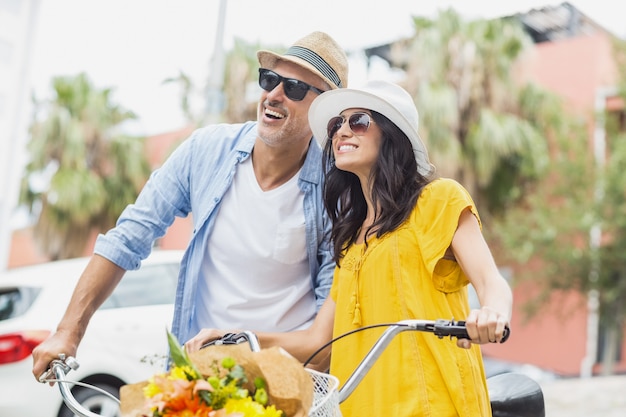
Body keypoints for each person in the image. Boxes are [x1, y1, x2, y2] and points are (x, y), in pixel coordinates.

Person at [32, 31, 349, 381]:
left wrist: (242, 347)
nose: (273, 95)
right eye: (269, 79)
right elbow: (128, 237)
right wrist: (69, 332)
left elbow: (326, 335)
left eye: (294, 88)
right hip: (199, 380)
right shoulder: (205, 151)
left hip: (283, 382)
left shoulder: (338, 191)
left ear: (325, 112)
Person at [186, 80, 513, 417]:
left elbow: (491, 281)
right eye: (336, 124)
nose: (342, 131)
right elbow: (317, 343)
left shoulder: (438, 199)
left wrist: (493, 313)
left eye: (358, 121)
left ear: (391, 134)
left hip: (431, 405)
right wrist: (235, 337)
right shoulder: (350, 240)